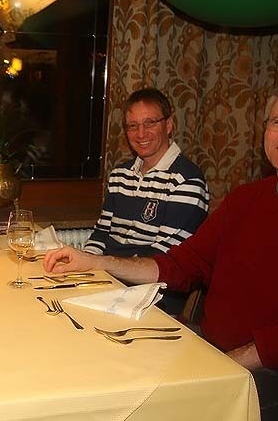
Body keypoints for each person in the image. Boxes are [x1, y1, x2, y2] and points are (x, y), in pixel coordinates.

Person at [44, 73, 278, 421]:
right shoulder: (245, 199)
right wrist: (94, 260)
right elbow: (182, 265)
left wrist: (223, 363)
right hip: (215, 346)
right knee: (102, 362)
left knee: (157, 414)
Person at [83, 88, 209, 314]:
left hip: (156, 298)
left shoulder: (187, 180)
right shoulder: (120, 175)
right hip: (110, 283)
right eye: (133, 126)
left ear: (168, 125)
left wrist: (103, 269)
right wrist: (85, 270)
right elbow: (101, 235)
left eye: (150, 123)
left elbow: (164, 259)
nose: (141, 133)